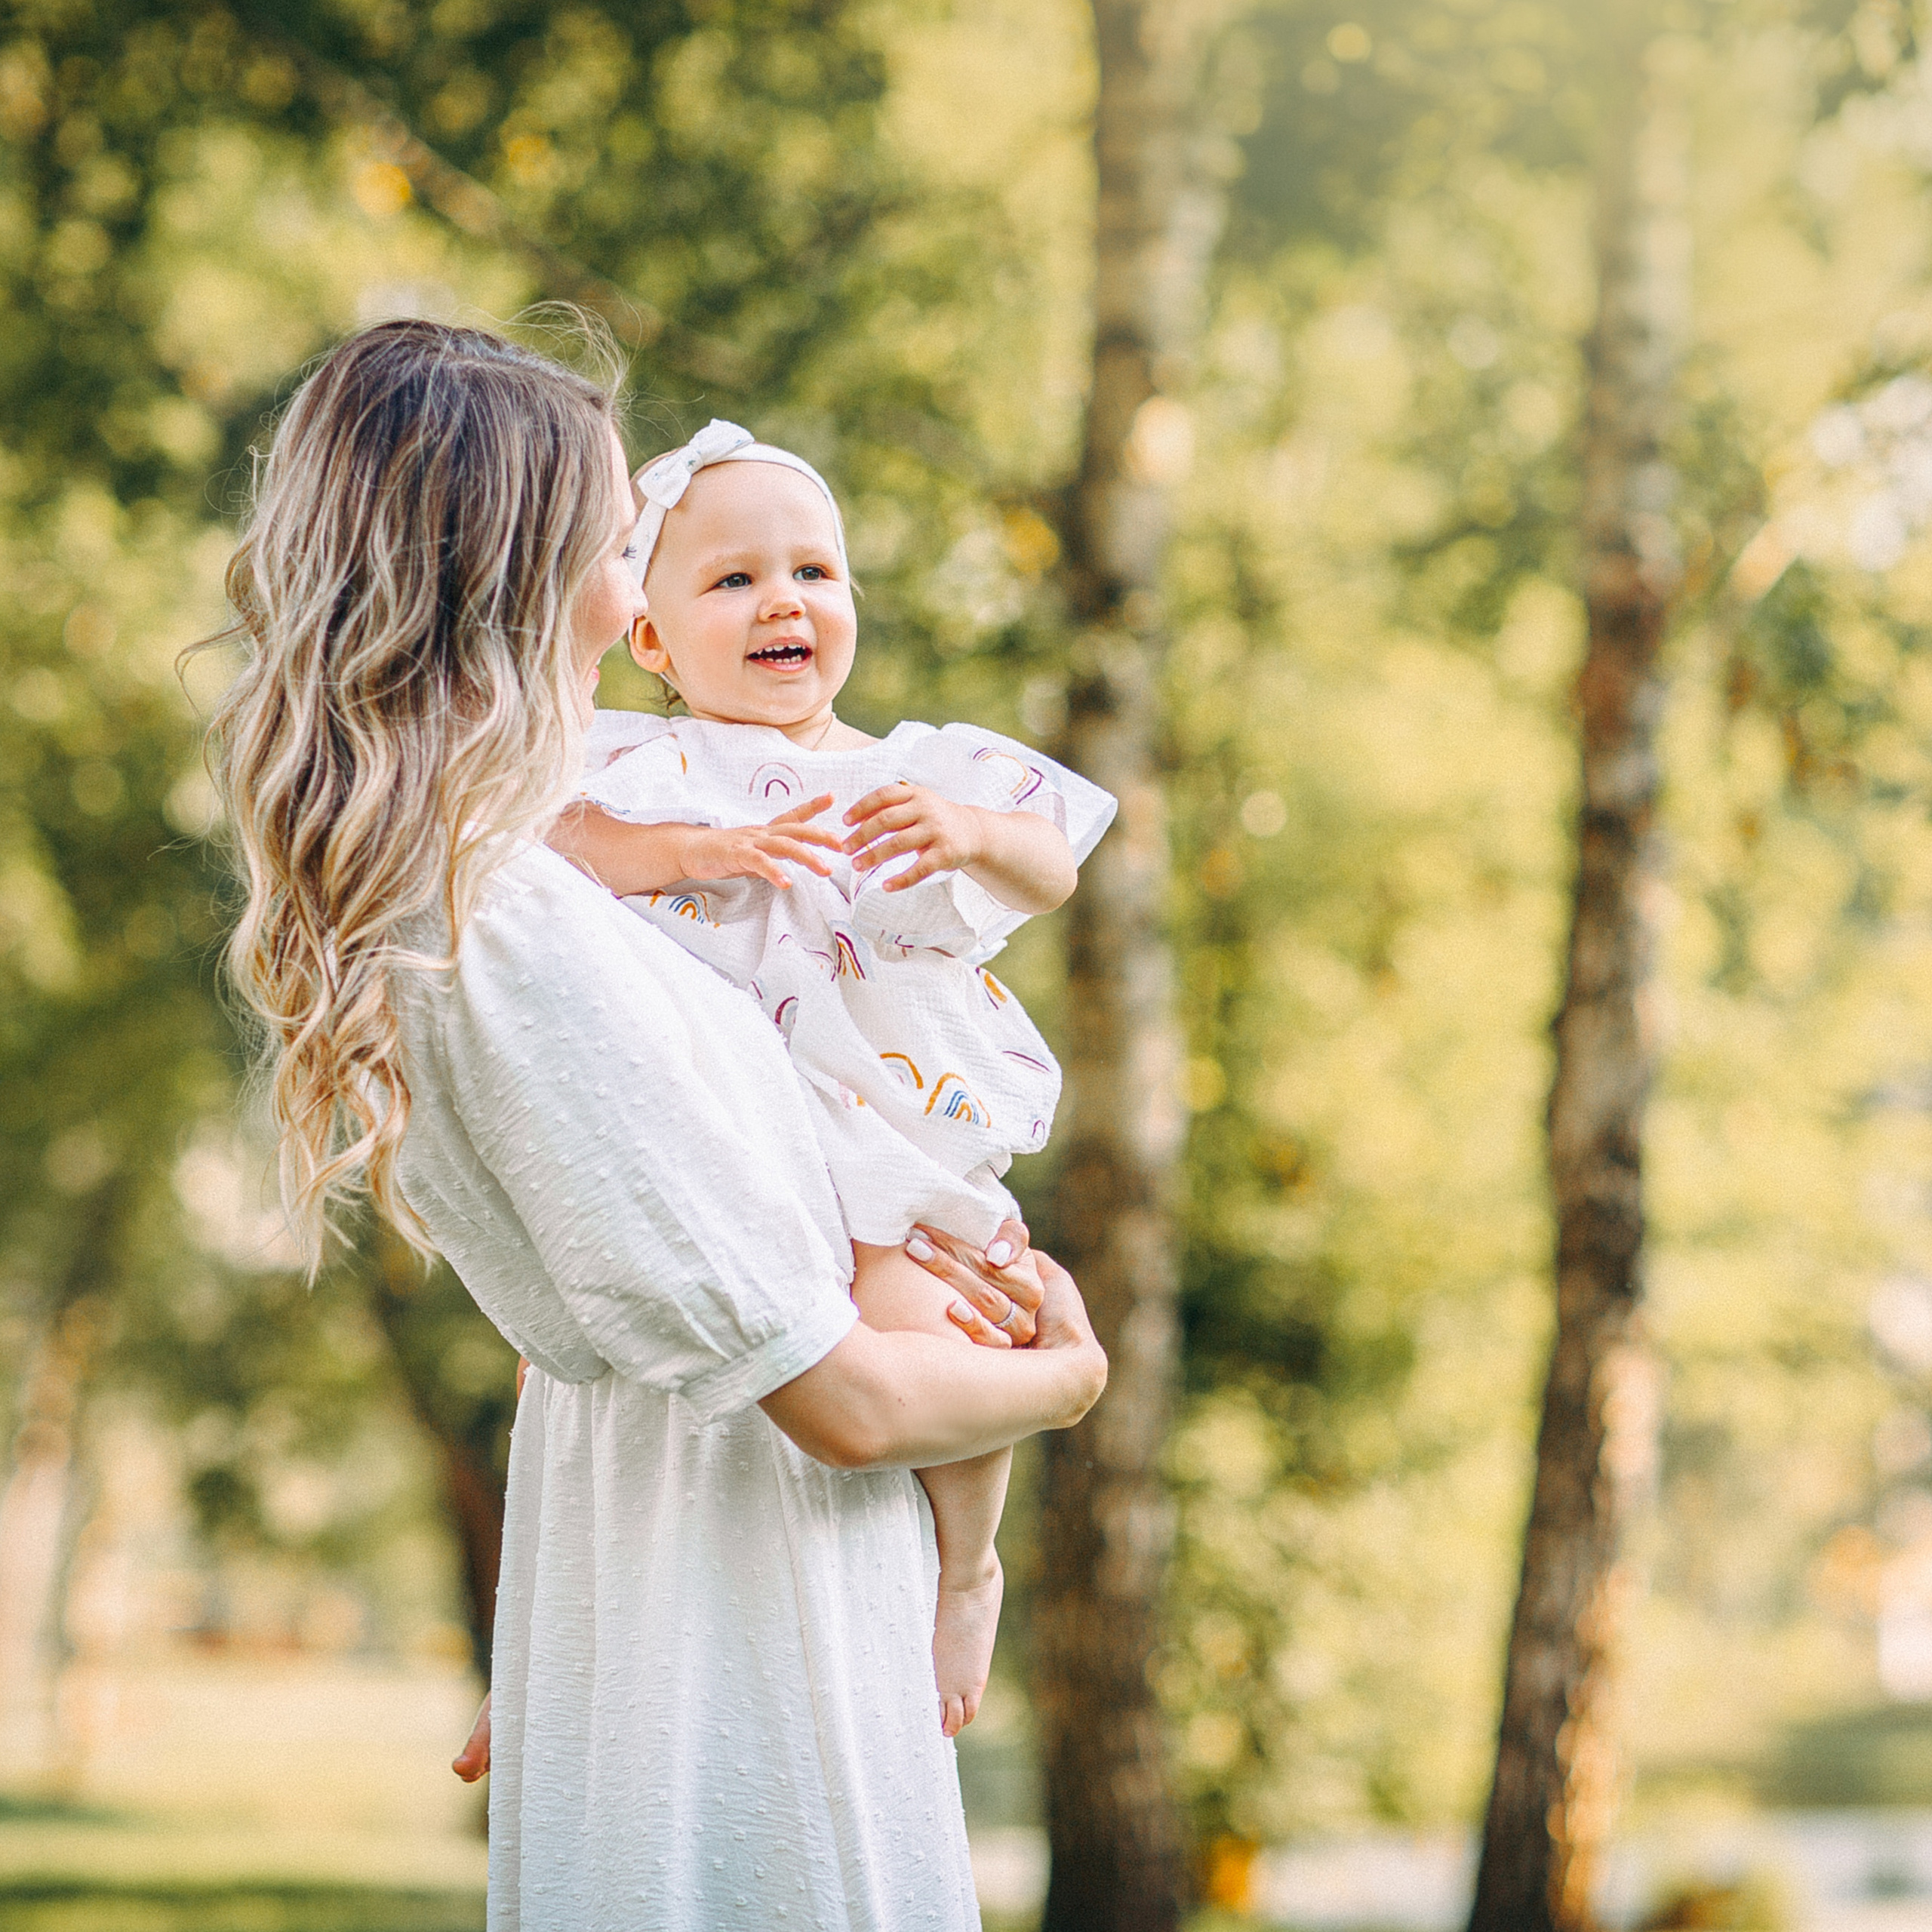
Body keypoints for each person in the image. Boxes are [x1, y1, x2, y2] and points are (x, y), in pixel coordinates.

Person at [209, 317, 1107, 1932]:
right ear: (529, 573)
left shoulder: (512, 881)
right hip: (731, 1594)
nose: (643, 577)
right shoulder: (514, 916)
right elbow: (829, 1395)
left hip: (699, 1553)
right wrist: (1067, 1376)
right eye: (622, 540)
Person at [546, 420, 1116, 1738]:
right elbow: (561, 842)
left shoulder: (917, 767)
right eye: (734, 579)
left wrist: (970, 832)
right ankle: (539, 1656)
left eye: (814, 571)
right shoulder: (645, 768)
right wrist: (695, 851)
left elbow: (1052, 864)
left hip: (890, 1121)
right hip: (730, 1121)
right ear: (651, 640)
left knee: (947, 1325)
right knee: (577, 1377)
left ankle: (968, 1566)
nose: (782, 601)